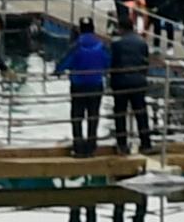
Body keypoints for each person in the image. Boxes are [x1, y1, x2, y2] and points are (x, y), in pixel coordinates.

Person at [107, 14, 155, 152]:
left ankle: (122, 144)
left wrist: (112, 80)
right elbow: (145, 62)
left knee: (120, 114)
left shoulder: (117, 44)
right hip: (138, 81)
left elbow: (113, 63)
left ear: (121, 28)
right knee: (141, 113)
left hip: (121, 82)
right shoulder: (141, 42)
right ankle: (146, 143)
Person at [63, 17, 110, 153]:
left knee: (77, 116)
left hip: (78, 86)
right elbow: (107, 62)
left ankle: (78, 146)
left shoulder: (76, 45)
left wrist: (57, 71)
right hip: (96, 84)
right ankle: (91, 146)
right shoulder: (101, 45)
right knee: (93, 115)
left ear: (80, 29)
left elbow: (66, 62)